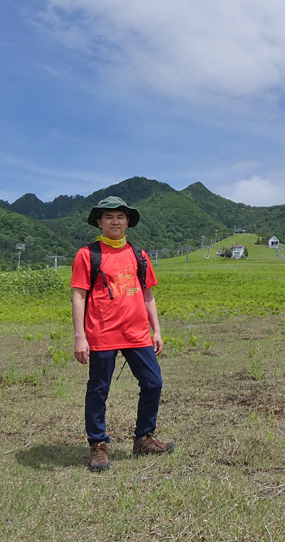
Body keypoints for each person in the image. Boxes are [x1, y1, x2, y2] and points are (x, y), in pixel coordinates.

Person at [71, 196, 175, 472]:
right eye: (108, 217)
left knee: (153, 383)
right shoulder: (88, 254)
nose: (115, 221)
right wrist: (80, 336)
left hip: (137, 333)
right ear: (99, 222)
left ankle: (144, 438)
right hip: (102, 333)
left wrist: (157, 330)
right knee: (99, 389)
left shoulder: (139, 255)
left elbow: (148, 294)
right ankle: (98, 445)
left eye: (120, 216)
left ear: (128, 221)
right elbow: (79, 296)